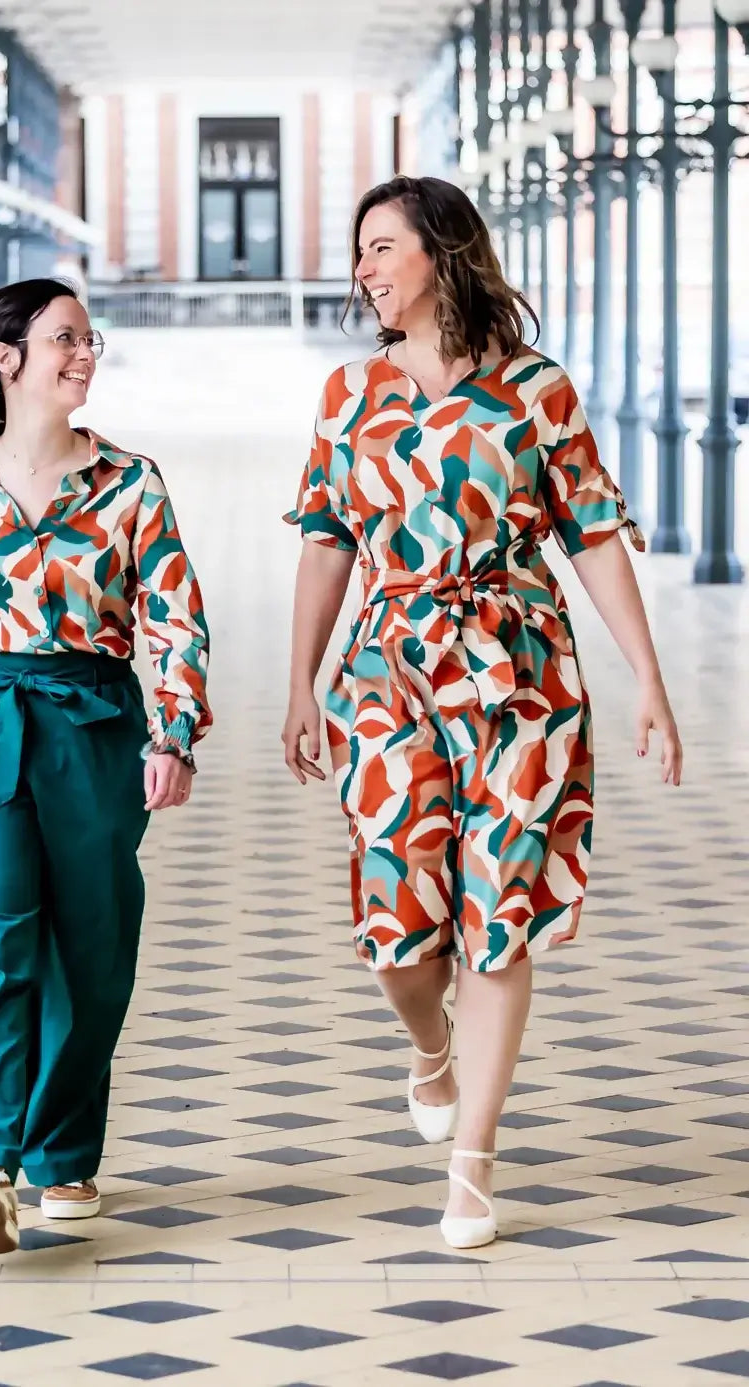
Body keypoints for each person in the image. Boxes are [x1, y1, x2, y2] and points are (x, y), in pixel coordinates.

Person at [282, 176, 681, 1251]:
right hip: (389, 671)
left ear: (440, 253)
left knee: (499, 916)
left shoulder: (535, 392)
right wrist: (299, 686)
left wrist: (646, 676)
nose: (361, 269)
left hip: (520, 674)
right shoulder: (347, 394)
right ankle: (429, 1049)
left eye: (379, 247)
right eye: (358, 251)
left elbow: (589, 533)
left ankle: (471, 1168)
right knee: (398, 940)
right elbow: (325, 538)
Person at [0, 278, 211, 1255]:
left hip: (91, 722)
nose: (84, 355)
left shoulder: (130, 485)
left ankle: (62, 1150)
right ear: (6, 356)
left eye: (90, 340)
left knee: (91, 955)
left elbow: (173, 611)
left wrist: (174, 729)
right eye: (64, 339)